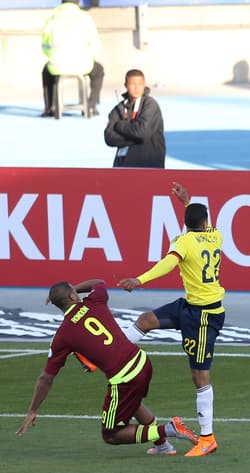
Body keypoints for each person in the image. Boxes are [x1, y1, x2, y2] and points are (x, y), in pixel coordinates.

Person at [16, 279, 197, 455]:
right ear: (72, 296)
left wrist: (32, 410)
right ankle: (163, 446)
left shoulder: (62, 335)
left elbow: (46, 378)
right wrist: (74, 289)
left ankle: (169, 429)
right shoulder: (95, 301)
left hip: (125, 377)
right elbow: (99, 282)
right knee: (131, 404)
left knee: (111, 434)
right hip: (142, 361)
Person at [116, 181, 223, 457]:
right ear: (206, 221)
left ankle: (208, 437)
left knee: (199, 375)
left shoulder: (185, 242)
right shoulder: (215, 235)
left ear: (186, 224)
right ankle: (111, 354)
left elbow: (167, 264)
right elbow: (198, 223)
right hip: (189, 305)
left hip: (203, 315)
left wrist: (139, 279)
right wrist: (187, 203)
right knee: (146, 320)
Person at [40, 0, 105, 118]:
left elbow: (44, 45)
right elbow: (95, 44)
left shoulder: (52, 17)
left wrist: (53, 57)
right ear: (78, 2)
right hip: (84, 64)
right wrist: (88, 58)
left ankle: (50, 107)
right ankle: (91, 105)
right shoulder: (85, 17)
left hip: (57, 65)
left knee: (47, 72)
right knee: (98, 70)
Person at [104, 69, 165, 168]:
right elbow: (109, 137)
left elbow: (141, 132)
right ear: (126, 85)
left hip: (149, 165)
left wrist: (120, 126)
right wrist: (136, 138)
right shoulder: (119, 108)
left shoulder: (150, 104)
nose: (136, 87)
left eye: (140, 84)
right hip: (124, 166)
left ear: (144, 84)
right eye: (132, 84)